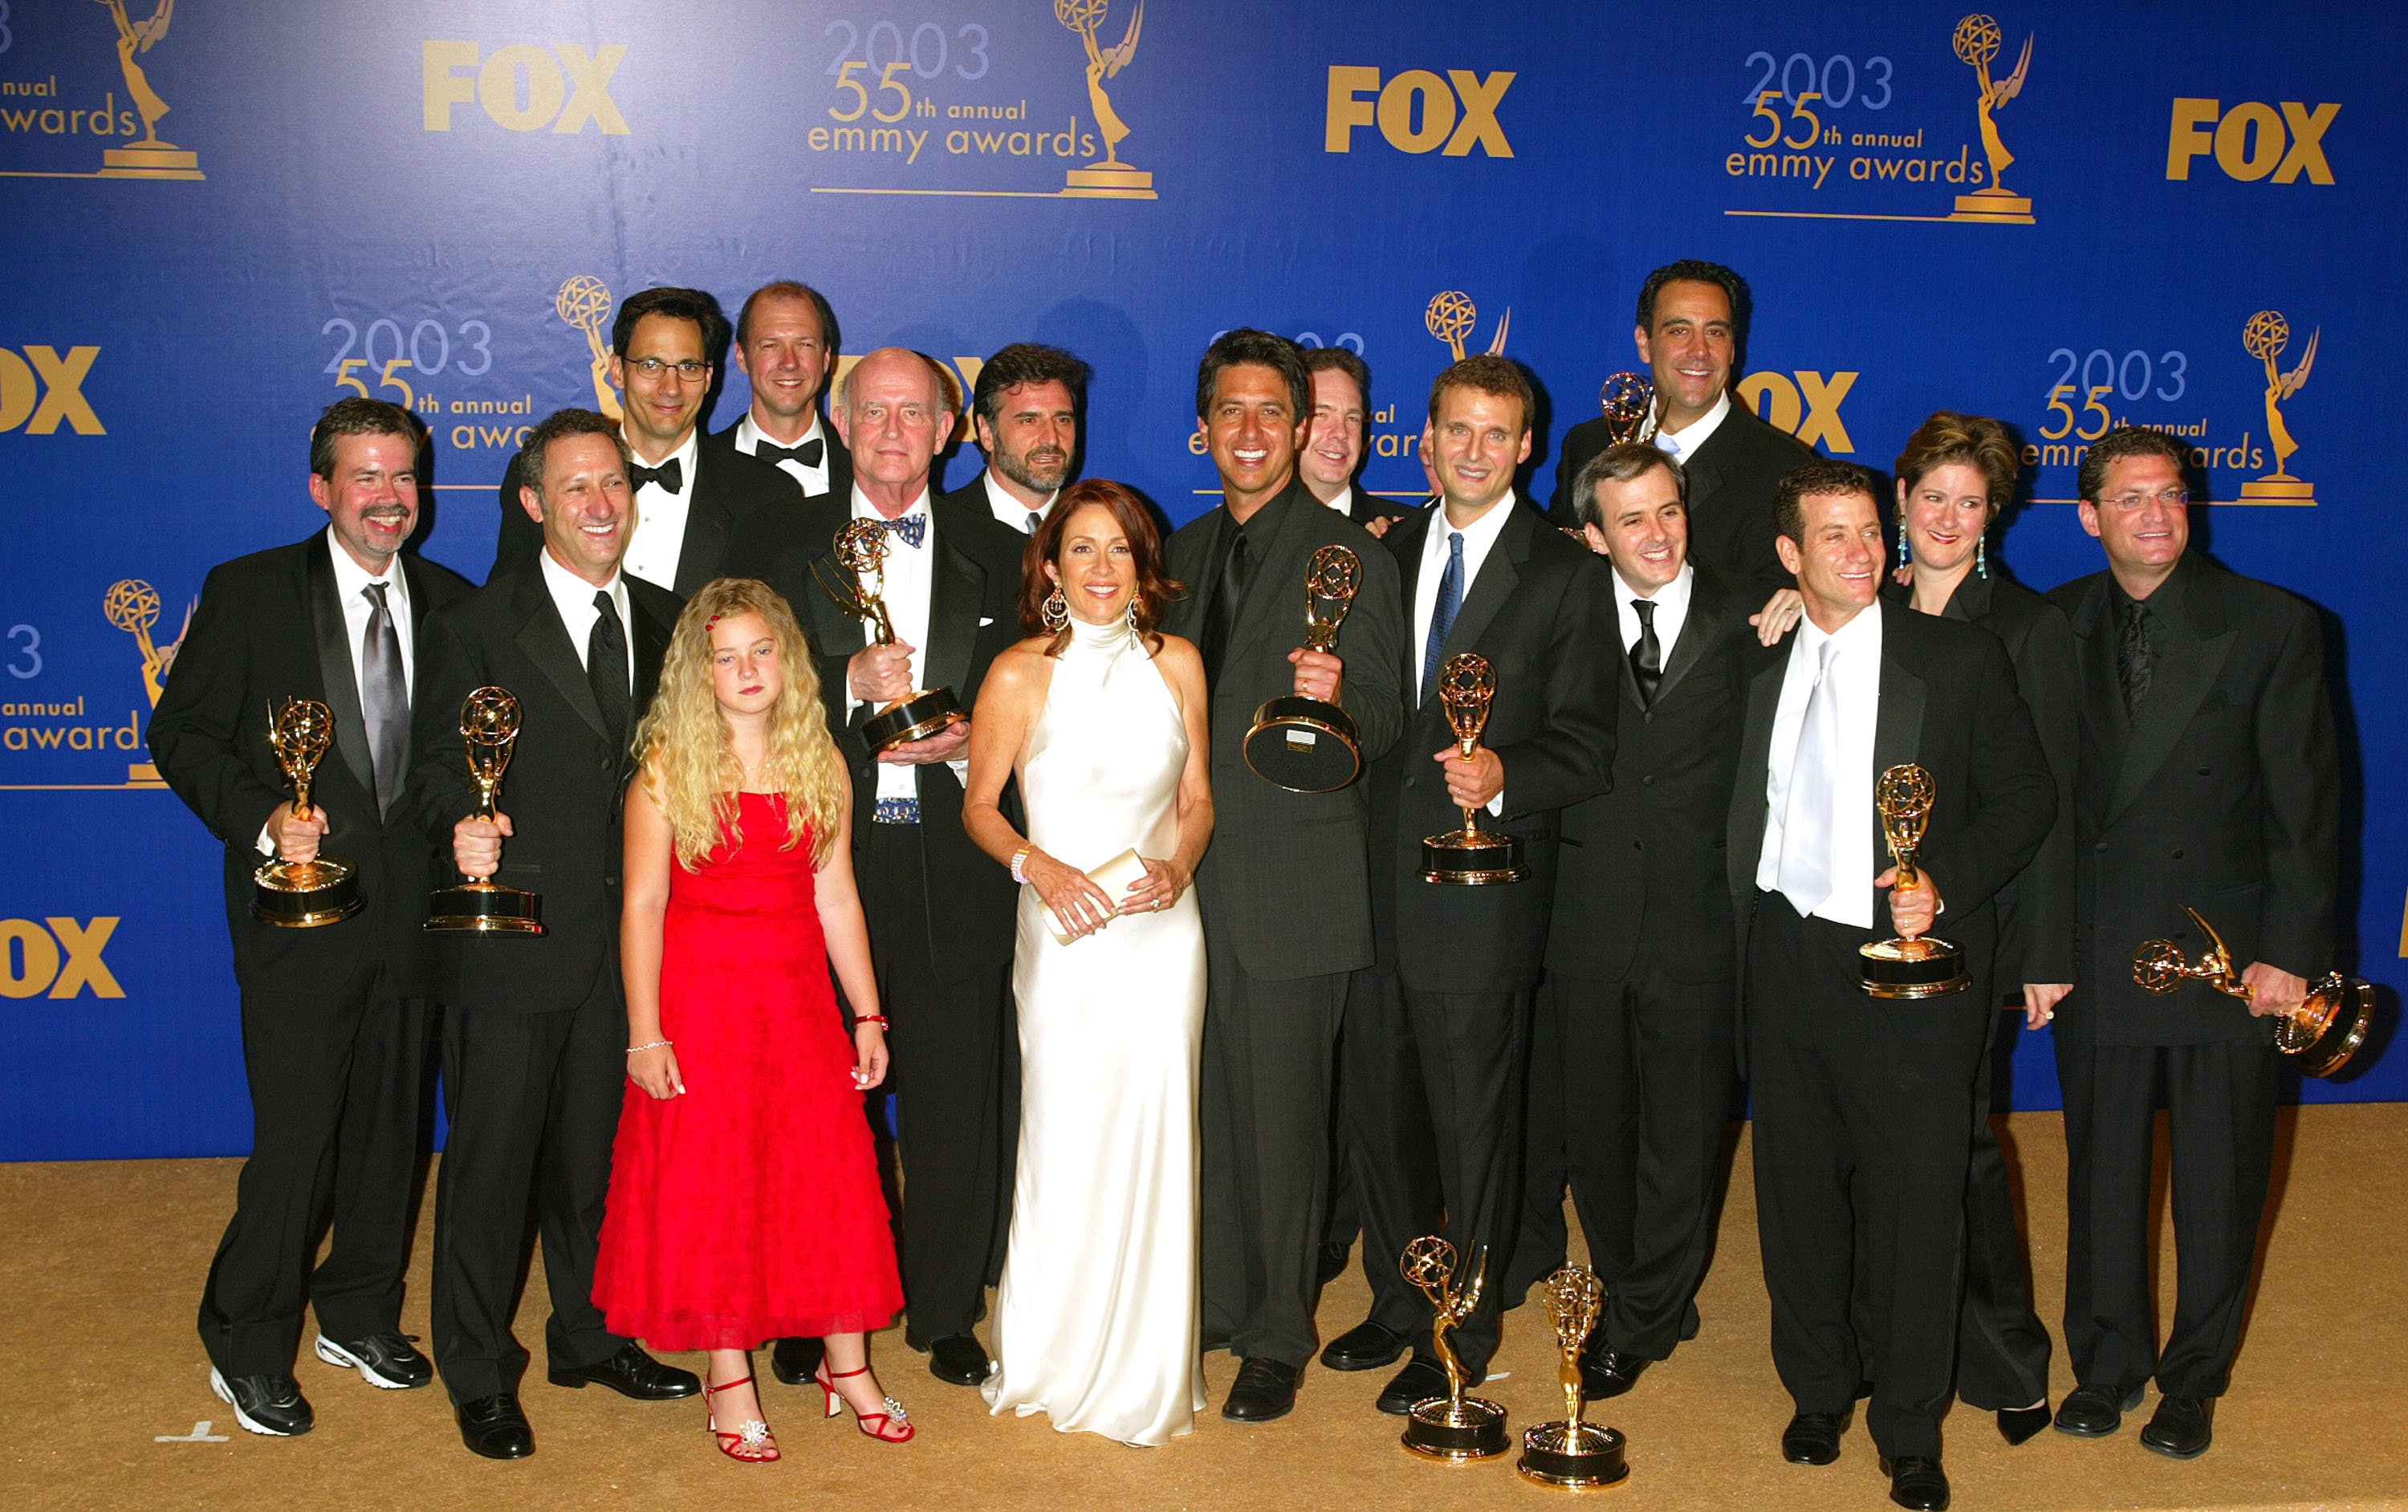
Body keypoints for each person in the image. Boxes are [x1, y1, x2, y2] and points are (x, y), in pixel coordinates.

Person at [1731, 461, 2052, 1512]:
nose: (1864, 552)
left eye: (1871, 531)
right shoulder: (1762, 663)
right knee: (1798, 1185)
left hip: (1905, 964)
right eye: (1834, 536)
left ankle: (1910, 1423)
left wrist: (1942, 881)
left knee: (1918, 1196)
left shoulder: (1956, 660)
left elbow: (2026, 798)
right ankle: (1820, 1386)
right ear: (1791, 556)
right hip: (1786, 955)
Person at [148, 398, 470, 1435]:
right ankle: (245, 1339)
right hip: (300, 922)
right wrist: (262, 821)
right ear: (321, 487)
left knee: (390, 1133)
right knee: (296, 1144)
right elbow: (183, 734)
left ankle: (360, 1310)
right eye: (366, 478)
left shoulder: (454, 603)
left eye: (404, 478)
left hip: (417, 922)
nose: (389, 498)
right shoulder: (249, 594)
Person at [407, 408, 697, 1459]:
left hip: (628, 951)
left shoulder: (670, 623)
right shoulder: (474, 627)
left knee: (598, 1163)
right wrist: (461, 823)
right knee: (490, 1168)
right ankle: (480, 1370)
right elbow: (435, 767)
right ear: (533, 504)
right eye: (575, 488)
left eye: (614, 484)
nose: (600, 505)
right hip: (510, 939)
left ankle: (591, 1336)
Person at [2046, 425, 2338, 1460]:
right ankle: (2108, 1364)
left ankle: (2194, 1380)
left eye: (2170, 495)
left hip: (2230, 959)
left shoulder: (2274, 626)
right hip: (2100, 950)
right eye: (2128, 500)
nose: (2155, 516)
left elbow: (2310, 814)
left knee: (2218, 1183)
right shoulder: (2056, 625)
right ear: (2088, 518)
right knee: (2104, 1176)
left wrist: (2291, 955)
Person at [1345, 356, 1617, 1421]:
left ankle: (1463, 1325)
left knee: (1472, 1122)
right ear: (1425, 438)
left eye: (1495, 434)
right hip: (1371, 879)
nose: (1472, 449)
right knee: (1385, 1109)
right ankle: (1396, 1302)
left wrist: (1509, 775)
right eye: (1455, 429)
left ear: (1526, 450)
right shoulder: (1383, 553)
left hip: (1482, 891)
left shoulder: (1563, 574)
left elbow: (1588, 743)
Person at [592, 579, 910, 1461]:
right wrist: (645, 1032)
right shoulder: (665, 769)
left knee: (829, 1178)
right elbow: (643, 906)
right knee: (716, 1188)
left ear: (788, 660)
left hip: (798, 1003)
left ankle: (848, 1365)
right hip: (702, 1006)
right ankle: (728, 1377)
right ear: (701, 673)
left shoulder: (824, 760)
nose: (746, 669)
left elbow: (837, 894)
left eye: (760, 651)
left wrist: (868, 1014)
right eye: (725, 656)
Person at [767, 348, 1027, 1392]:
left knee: (960, 1095)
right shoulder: (782, 548)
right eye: (871, 411)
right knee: (818, 1106)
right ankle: (808, 1301)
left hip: (956, 862)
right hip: (824, 862)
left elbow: (1048, 705)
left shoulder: (1005, 555)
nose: (889, 431)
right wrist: (841, 685)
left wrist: (971, 741)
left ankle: (945, 1307)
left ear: (951, 429)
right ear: (840, 422)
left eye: (912, 413)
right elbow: (730, 691)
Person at [1159, 329, 1406, 1423]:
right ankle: (1213, 1303)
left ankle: (1274, 1334)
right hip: (1176, 883)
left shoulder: (1355, 555)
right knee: (1202, 1105)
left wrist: (1340, 693)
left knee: (1284, 1120)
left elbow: (1393, 714)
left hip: (1293, 889)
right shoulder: (1181, 546)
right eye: (1233, 413)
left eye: (1275, 413)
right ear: (1206, 426)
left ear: (1306, 429)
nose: (1252, 433)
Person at [965, 480, 1214, 1445]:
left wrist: (1180, 867)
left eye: (1118, 550)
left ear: (1143, 565)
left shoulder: (1180, 663)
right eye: (1082, 550)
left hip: (1162, 933)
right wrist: (1042, 867)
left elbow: (1197, 797)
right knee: (1066, 1135)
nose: (1101, 569)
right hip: (1063, 932)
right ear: (1051, 567)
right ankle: (1052, 1355)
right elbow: (981, 807)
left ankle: (1152, 1365)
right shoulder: (1020, 673)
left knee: (1158, 1134)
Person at [1511, 441, 1757, 1399]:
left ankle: (1646, 1314)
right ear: (1592, 534)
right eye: (1632, 520)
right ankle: (1633, 1279)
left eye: (1669, 512)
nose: (1657, 534)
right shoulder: (1562, 618)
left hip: (1703, 921)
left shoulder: (1754, 612)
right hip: (1584, 917)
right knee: (1600, 1137)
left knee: (1685, 1133)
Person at [1882, 412, 2076, 1447]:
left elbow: (2048, 801)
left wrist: (2043, 953)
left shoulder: (2030, 628)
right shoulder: (1858, 604)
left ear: (1992, 514)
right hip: (1867, 923)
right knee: (1883, 1144)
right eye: (1932, 498)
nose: (1949, 518)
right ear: (1901, 504)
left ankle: (2007, 1357)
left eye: (1971, 501)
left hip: (1979, 923)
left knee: (1959, 1149)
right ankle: (1904, 1343)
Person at [493, 286, 795, 591]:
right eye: (651, 365)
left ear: (707, 378)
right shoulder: (542, 476)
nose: (671, 388)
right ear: (617, 370)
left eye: (688, 367)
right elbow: (509, 607)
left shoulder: (766, 495)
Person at [1550, 260, 1812, 586]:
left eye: (1715, 332)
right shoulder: (1587, 444)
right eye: (1679, 331)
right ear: (1644, 342)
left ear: (1733, 348)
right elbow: (1556, 570)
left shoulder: (1784, 470)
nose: (1699, 351)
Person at [712, 279, 853, 503]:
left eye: (805, 344)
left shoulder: (866, 465)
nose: (789, 363)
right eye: (770, 345)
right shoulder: (700, 468)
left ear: (826, 358)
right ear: (742, 356)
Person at [938, 342, 1087, 533]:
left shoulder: (1099, 527)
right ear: (987, 432)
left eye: (1062, 420)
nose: (1051, 439)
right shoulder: (942, 528)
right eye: (1029, 420)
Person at [1300, 346, 1415, 534]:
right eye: (1321, 414)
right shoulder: (1249, 526)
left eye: (1352, 418)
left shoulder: (1403, 534)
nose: (1341, 433)